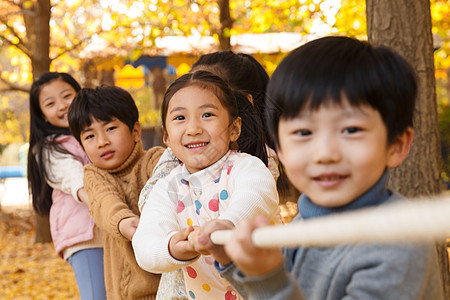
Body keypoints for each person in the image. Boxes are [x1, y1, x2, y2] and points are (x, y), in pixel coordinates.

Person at [204, 36, 445, 299]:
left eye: (351, 130)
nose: (325, 153)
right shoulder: (305, 221)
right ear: (281, 150)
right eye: (303, 132)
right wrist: (234, 261)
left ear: (396, 145)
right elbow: (277, 291)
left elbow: (276, 290)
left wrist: (268, 279)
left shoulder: (398, 244)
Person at [132, 70, 281, 300]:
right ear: (167, 138)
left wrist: (227, 225)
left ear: (234, 128)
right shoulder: (168, 188)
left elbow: (256, 197)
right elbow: (145, 244)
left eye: (207, 115)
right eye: (180, 118)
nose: (193, 129)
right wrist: (172, 247)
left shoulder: (246, 168)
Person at [68, 86, 167, 299]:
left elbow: (171, 184)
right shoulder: (94, 175)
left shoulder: (155, 160)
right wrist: (123, 222)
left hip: (170, 289)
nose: (102, 141)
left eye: (111, 128)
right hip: (127, 294)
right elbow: (104, 202)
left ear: (136, 131)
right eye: (90, 136)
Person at [27, 72, 106, 300]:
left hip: (115, 230)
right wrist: (102, 203)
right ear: (41, 114)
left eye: (67, 96)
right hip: (84, 236)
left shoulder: (94, 135)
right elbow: (74, 178)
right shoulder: (48, 150)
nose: (62, 106)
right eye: (50, 103)